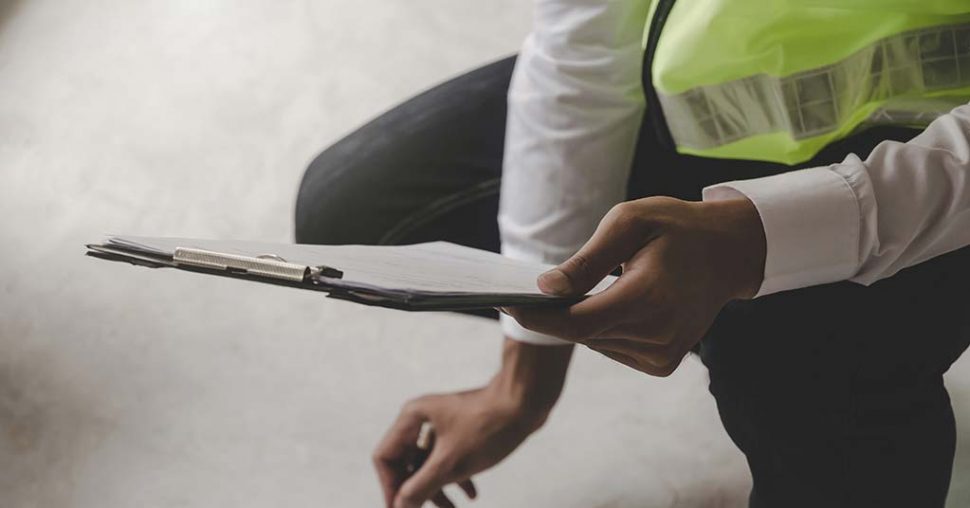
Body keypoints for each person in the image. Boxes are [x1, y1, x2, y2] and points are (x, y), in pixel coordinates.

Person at [295, 1, 970, 506]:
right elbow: (581, 50)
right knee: (358, 213)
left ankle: (820, 389)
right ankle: (720, 325)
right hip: (721, 101)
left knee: (782, 357)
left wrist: (766, 239)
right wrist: (524, 377)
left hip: (942, 160)